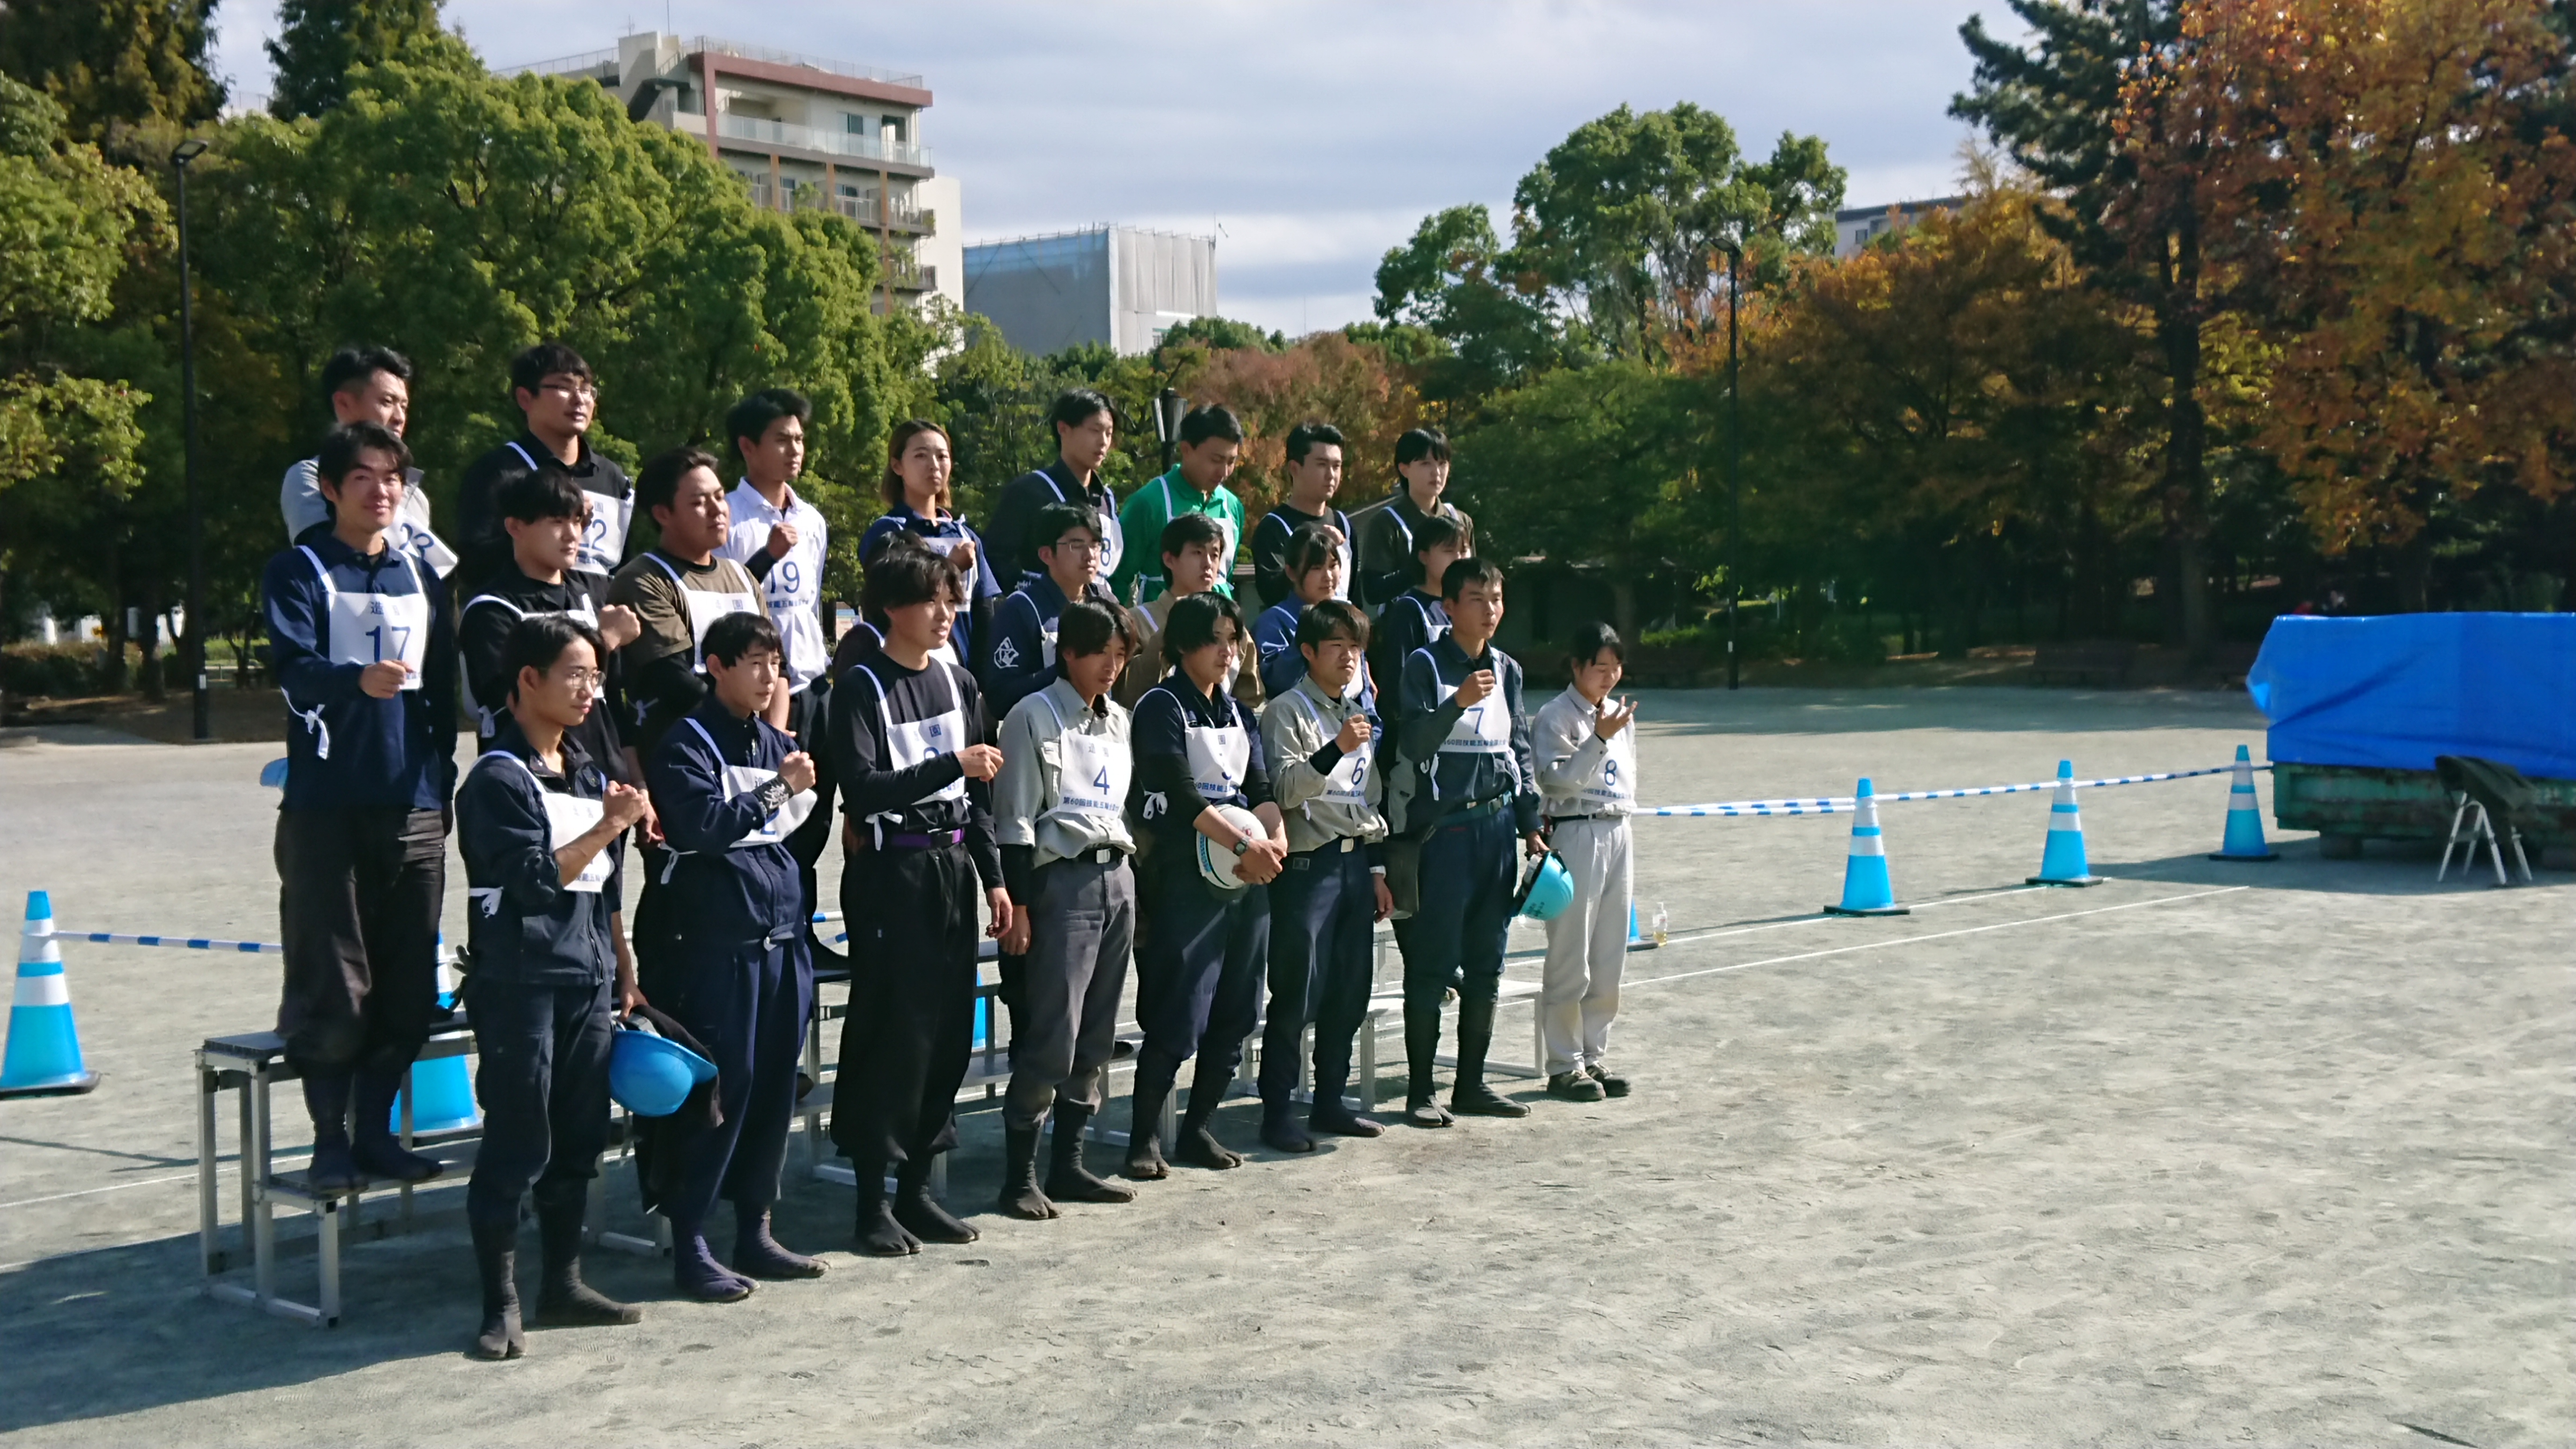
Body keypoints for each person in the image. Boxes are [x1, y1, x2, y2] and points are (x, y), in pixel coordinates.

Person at [261, 421, 457, 1193]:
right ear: (333, 489)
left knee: (409, 993)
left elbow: (442, 691)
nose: (382, 493)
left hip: (412, 806)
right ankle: (329, 1141)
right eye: (365, 479)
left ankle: (377, 1133)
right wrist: (353, 680)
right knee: (336, 993)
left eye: (394, 480)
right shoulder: (299, 569)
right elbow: (292, 669)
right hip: (327, 811)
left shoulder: (421, 575)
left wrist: (439, 783)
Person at [455, 614, 648, 1359]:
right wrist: (608, 825)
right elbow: (533, 884)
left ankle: (561, 1284)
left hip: (587, 979)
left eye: (596, 676)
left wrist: (624, 968)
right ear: (526, 681)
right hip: (520, 983)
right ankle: (498, 1299)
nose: (588, 689)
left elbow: (604, 890)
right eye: (575, 673)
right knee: (516, 1139)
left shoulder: (589, 773)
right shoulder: (496, 779)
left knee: (577, 1139)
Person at [827, 546, 1012, 1256]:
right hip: (893, 874)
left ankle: (919, 1189)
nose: (947, 613)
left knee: (945, 1032)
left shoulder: (960, 680)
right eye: (932, 599)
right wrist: (949, 764)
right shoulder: (861, 685)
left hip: (954, 863)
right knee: (892, 1031)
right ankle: (873, 1196)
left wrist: (994, 879)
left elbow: (980, 794)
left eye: (953, 597)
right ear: (893, 607)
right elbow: (864, 786)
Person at [643, 611, 827, 1300]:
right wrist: (778, 787)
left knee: (776, 1084)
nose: (767, 676)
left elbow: (798, 833)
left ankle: (757, 1225)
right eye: (752, 661)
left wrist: (786, 785)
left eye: (775, 663)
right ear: (714, 666)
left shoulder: (778, 739)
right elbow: (705, 827)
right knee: (723, 1088)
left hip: (781, 938)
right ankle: (690, 1237)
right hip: (716, 947)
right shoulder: (685, 742)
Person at [1124, 592, 1288, 1178]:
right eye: (1216, 640)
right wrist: (1243, 846)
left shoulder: (1242, 715)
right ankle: (1143, 1138)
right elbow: (1178, 790)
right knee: (1179, 1009)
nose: (1228, 652)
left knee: (1238, 1010)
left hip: (1247, 878)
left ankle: (1198, 1129)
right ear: (1185, 645)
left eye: (1234, 640)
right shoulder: (1159, 706)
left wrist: (1275, 844)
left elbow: (1263, 788)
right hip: (1184, 875)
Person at [990, 599, 1141, 1220]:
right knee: (1054, 1032)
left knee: (1099, 1034)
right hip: (1062, 885)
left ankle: (1070, 1163)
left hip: (1117, 876)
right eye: (1100, 652)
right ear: (1069, 653)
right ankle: (1019, 1176)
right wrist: (1021, 905)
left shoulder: (1119, 722)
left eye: (1122, 654)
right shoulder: (1032, 715)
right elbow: (1016, 820)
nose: (1112, 665)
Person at [608, 448, 771, 996]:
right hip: (687, 759)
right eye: (697, 501)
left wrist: (773, 734)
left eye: (718, 497)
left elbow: (776, 668)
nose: (715, 510)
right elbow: (671, 678)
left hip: (752, 758)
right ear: (661, 513)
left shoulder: (742, 577)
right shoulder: (644, 579)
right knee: (686, 901)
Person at [1394, 557, 1544, 1127]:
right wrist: (1455, 701)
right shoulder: (1424, 664)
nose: (1490, 609)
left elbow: (1520, 750)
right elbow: (1410, 743)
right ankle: (1418, 1091)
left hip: (1497, 830)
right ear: (1449, 607)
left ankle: (1471, 1084)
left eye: (1497, 598)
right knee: (1432, 965)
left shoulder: (1507, 669)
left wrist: (1531, 824)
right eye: (1476, 599)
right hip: (1444, 832)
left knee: (1487, 960)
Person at [1255, 598, 1392, 1152]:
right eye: (1335, 646)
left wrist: (1378, 867)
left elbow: (1371, 792)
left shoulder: (1356, 710)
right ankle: (1277, 1110)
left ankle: (1330, 1100)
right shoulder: (1286, 711)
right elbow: (1284, 790)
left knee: (1349, 989)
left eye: (1355, 647)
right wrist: (1334, 749)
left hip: (1357, 861)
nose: (1348, 657)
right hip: (1308, 867)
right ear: (1307, 652)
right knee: (1295, 993)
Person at [716, 388, 841, 971]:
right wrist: (762, 556)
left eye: (800, 438)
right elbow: (728, 604)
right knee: (766, 808)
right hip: (755, 693)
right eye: (781, 439)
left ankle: (802, 928)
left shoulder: (811, 518)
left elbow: (808, 603)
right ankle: (763, 927)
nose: (795, 449)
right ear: (748, 447)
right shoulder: (729, 517)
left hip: (811, 683)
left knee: (813, 813)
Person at [1532, 622, 1639, 1104]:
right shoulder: (1555, 716)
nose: (1609, 676)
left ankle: (1594, 1053)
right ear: (1575, 666)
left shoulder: (1620, 714)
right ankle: (1562, 1062)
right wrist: (1596, 738)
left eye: (1615, 666)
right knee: (1569, 952)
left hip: (1618, 827)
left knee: (1609, 952)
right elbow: (1557, 783)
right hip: (1577, 830)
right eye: (1599, 666)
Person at [456, 342, 635, 591]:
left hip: (596, 625)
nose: (579, 399)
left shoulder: (612, 478)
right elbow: (473, 565)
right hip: (525, 620)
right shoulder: (497, 471)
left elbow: (622, 570)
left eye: (586, 390)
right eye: (564, 387)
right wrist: (539, 528)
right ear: (525, 398)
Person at [278, 345, 456, 579]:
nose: (400, 417)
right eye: (387, 402)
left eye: (404, 406)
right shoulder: (309, 477)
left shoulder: (416, 497)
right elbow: (327, 563)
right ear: (344, 405)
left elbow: (426, 583)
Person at [860, 419, 1000, 669]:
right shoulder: (889, 532)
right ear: (897, 465)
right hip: (907, 673)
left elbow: (984, 613)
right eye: (921, 456)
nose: (934, 465)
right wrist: (952, 567)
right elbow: (886, 604)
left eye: (942, 456)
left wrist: (982, 680)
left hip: (963, 675)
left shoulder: (965, 535)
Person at [981, 501, 1120, 724]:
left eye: (1095, 545)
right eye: (1077, 545)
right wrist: (1067, 670)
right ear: (1047, 555)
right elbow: (999, 698)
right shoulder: (1022, 609)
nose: (1090, 555)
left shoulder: (1107, 602)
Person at [1116, 513, 1263, 710]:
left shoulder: (1233, 626)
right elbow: (1125, 694)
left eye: (1215, 555)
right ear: (1169, 559)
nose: (1208, 564)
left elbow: (1250, 697)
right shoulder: (1137, 620)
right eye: (1197, 553)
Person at [1109, 403, 1248, 607]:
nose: (1224, 472)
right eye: (1216, 460)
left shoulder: (1233, 506)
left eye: (1231, 462)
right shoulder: (1149, 503)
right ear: (1186, 450)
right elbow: (1118, 578)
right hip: (1161, 627)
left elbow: (1227, 573)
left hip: (1219, 628)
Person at [985, 389, 1123, 588]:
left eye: (1109, 433)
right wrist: (1038, 591)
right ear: (1064, 429)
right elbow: (994, 560)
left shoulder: (1105, 499)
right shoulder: (1028, 492)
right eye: (1095, 430)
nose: (1104, 442)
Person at [1353, 426, 1473, 608]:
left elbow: (1474, 580)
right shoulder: (1387, 522)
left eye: (1443, 463)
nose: (1437, 472)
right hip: (1404, 625)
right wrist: (1418, 570)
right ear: (1404, 469)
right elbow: (1372, 591)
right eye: (1426, 464)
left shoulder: (1461, 520)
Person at [1249, 421, 1353, 611]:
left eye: (1337, 466)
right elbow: (1271, 593)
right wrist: (1309, 552)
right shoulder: (1274, 527)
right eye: (1322, 465)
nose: (1331, 475)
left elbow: (1353, 593)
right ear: (1295, 469)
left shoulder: (1343, 524)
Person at [1251, 522, 1356, 702]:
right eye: (1316, 568)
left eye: (1333, 566)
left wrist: (1372, 727)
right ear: (1291, 573)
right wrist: (1307, 632)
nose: (1328, 576)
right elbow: (1276, 684)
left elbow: (1364, 694)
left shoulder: (1347, 618)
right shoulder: (1273, 622)